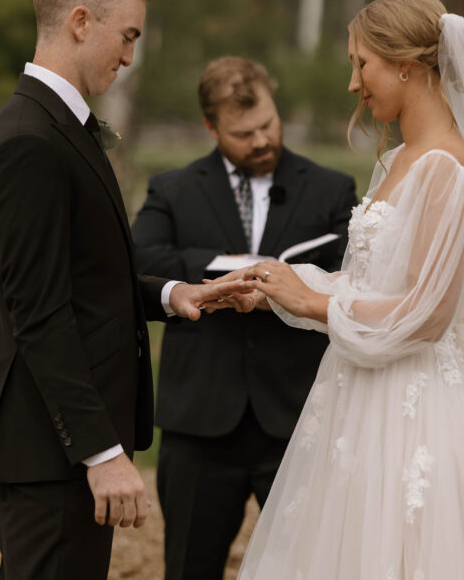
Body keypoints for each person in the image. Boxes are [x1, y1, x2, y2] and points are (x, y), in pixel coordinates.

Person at [234, 0, 464, 580]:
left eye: (359, 64)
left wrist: (312, 302)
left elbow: (428, 312)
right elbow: (374, 280)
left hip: (416, 410)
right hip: (358, 394)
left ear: (406, 66)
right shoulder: (399, 160)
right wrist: (282, 282)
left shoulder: (446, 165)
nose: (352, 84)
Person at [0, 0, 244, 580]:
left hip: (58, 445)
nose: (128, 56)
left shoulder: (54, 127)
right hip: (52, 446)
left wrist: (173, 294)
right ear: (79, 22)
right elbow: (38, 313)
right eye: (126, 36)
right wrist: (101, 453)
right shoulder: (27, 142)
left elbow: (80, 278)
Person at [132, 56, 357, 580]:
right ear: (211, 127)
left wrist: (288, 279)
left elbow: (352, 269)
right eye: (242, 133)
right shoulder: (173, 188)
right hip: (200, 422)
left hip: (299, 415)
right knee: (190, 566)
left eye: (268, 125)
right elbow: (141, 260)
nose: (260, 141)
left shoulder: (331, 188)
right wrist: (231, 269)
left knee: (312, 567)